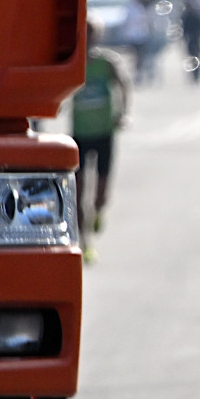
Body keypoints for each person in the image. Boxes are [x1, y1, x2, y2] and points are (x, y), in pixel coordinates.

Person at [70, 23, 130, 264]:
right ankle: (85, 243)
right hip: (80, 134)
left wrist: (123, 113)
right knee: (79, 192)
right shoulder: (72, 64)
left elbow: (123, 86)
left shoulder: (107, 63)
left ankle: (99, 210)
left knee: (100, 193)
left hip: (104, 133)